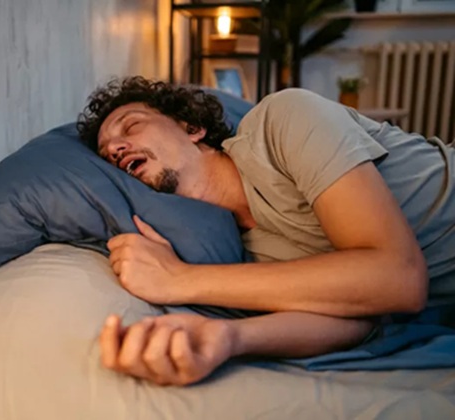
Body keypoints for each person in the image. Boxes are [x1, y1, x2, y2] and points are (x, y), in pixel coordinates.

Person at [76, 76, 455, 387]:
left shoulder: (283, 120)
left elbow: (399, 277)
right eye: (107, 154)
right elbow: (358, 313)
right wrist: (226, 338)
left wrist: (179, 279)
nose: (116, 148)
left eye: (132, 126)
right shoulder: (246, 252)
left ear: (192, 128)